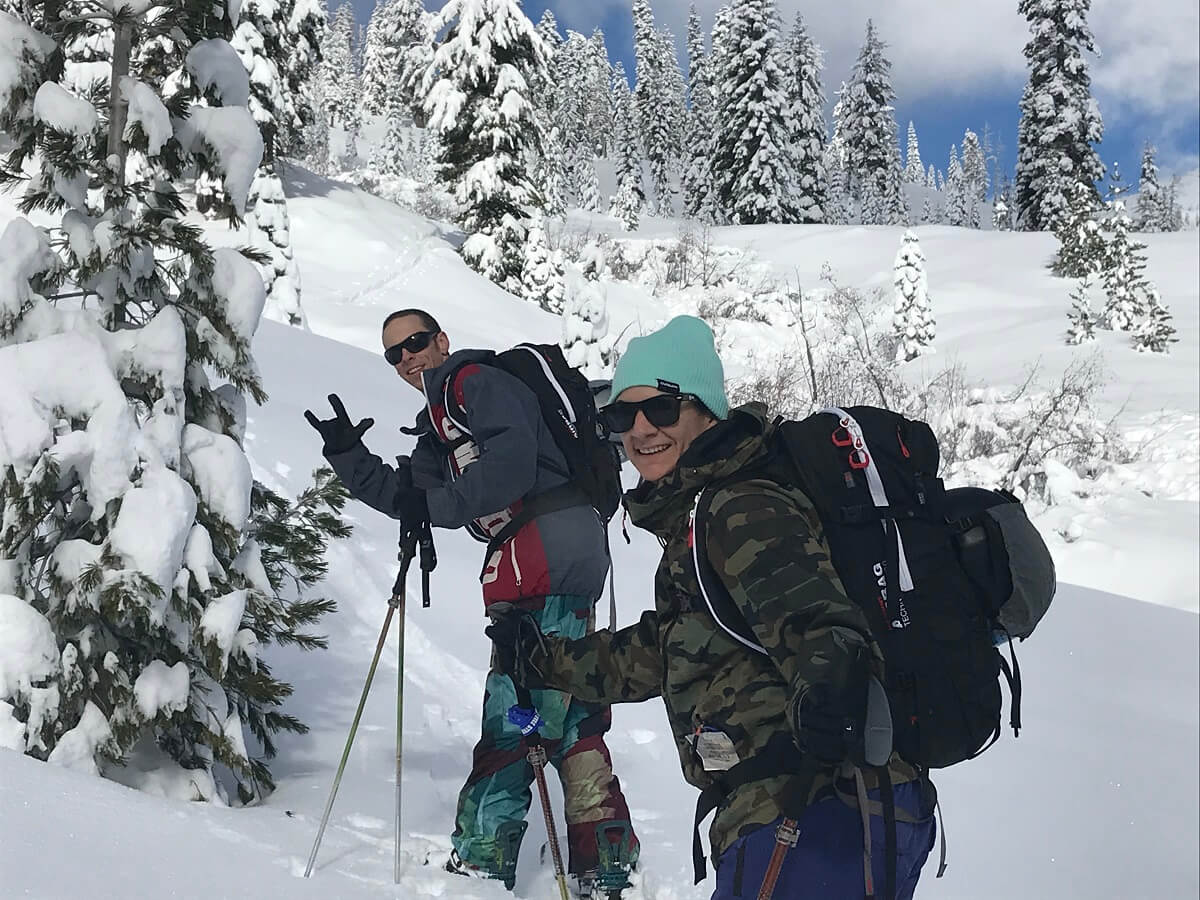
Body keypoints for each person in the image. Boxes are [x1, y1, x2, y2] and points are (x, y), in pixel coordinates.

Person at [488, 315, 936, 899]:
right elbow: (665, 649)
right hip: (801, 813)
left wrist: (831, 686)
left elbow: (815, 618)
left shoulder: (739, 504)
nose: (641, 429)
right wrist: (545, 660)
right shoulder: (699, 516)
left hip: (814, 809)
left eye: (663, 409)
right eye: (623, 415)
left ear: (708, 411)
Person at [304, 309, 639, 894]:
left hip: (541, 558)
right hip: (559, 558)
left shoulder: (474, 384)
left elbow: (504, 471)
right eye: (393, 354)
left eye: (414, 343)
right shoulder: (442, 421)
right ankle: (606, 856)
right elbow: (419, 498)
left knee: (518, 711)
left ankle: (484, 857)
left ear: (441, 340)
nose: (407, 358)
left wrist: (443, 508)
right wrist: (352, 461)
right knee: (574, 707)